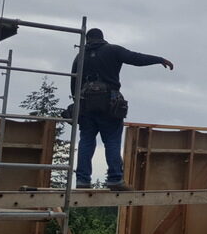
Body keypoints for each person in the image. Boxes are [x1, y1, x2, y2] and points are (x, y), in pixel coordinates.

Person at [71, 28, 173, 190]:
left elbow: (74, 82)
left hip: (86, 105)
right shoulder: (112, 50)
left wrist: (77, 104)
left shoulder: (80, 56)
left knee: (86, 141)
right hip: (109, 104)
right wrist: (159, 59)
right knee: (111, 140)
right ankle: (114, 179)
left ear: (87, 40)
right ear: (102, 38)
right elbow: (136, 58)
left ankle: (82, 181)